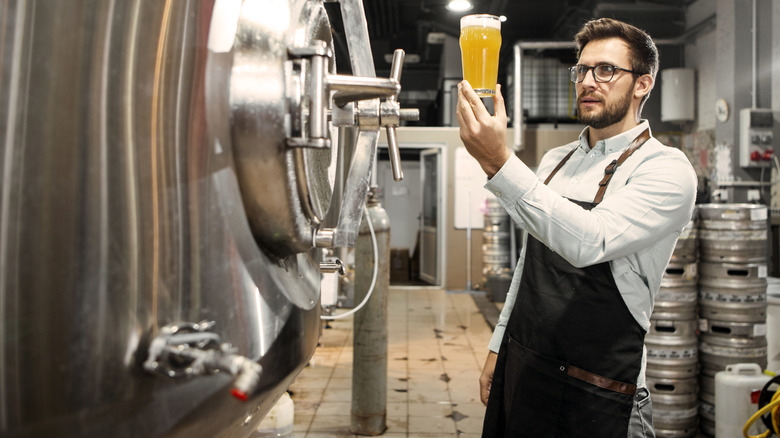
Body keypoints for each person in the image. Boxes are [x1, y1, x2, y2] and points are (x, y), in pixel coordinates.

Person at [456, 17, 697, 437]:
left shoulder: (665, 169)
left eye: (606, 70)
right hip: (529, 370)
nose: (588, 80)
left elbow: (590, 241)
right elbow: (528, 264)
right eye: (582, 70)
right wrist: (499, 345)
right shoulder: (557, 161)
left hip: (603, 392)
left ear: (643, 84)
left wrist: (499, 162)